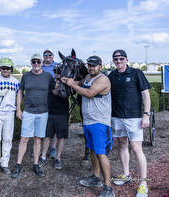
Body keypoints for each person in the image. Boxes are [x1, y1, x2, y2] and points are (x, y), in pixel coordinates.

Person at [61, 56, 115, 197]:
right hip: (89, 122)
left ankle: (108, 188)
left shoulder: (102, 80)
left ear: (100, 66)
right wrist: (67, 80)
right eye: (90, 65)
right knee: (92, 150)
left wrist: (73, 85)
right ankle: (96, 178)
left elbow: (89, 93)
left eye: (94, 65)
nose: (91, 67)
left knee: (101, 153)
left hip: (100, 123)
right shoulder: (87, 78)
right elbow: (78, 82)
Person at [108, 49, 151, 197]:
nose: (118, 61)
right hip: (117, 117)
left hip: (134, 118)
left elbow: (146, 94)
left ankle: (143, 183)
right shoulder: (111, 76)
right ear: (113, 61)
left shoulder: (136, 73)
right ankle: (126, 175)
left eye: (121, 58)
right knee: (121, 144)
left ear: (126, 59)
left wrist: (146, 115)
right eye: (116, 59)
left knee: (136, 148)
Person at [12, 53, 54, 178]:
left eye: (38, 61)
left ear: (42, 63)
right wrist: (18, 109)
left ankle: (35, 164)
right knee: (24, 139)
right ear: (31, 63)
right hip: (28, 112)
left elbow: (54, 91)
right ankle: (18, 165)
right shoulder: (26, 76)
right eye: (34, 62)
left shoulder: (48, 76)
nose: (36, 64)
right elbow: (20, 92)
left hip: (42, 113)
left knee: (37, 139)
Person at [39, 49, 69, 169]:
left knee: (60, 136)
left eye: (58, 71)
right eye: (55, 72)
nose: (57, 73)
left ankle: (57, 158)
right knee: (47, 136)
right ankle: (43, 157)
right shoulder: (49, 81)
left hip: (62, 112)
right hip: (49, 111)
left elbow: (67, 93)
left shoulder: (67, 82)